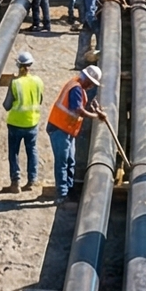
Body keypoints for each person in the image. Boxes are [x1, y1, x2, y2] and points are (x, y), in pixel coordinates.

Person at [47, 65, 102, 201]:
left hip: (67, 130)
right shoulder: (76, 88)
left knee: (70, 161)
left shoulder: (78, 86)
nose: (91, 87)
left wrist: (94, 108)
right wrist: (96, 116)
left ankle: (70, 190)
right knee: (62, 162)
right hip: (59, 128)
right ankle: (62, 194)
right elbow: (78, 109)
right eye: (91, 83)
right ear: (87, 79)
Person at [4, 51, 44, 193]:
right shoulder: (38, 81)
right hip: (32, 123)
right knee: (32, 151)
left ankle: (15, 183)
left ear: (18, 65)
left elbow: (7, 105)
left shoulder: (15, 83)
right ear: (30, 65)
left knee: (13, 152)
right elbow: (40, 100)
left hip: (15, 123)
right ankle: (32, 181)